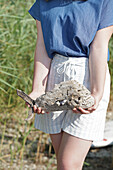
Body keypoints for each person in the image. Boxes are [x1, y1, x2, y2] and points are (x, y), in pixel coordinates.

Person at [27, 0, 113, 169]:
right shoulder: (45, 2)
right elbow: (43, 46)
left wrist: (96, 92)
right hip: (54, 76)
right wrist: (38, 89)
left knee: (68, 164)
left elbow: (99, 48)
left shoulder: (104, 2)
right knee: (62, 162)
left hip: (88, 77)